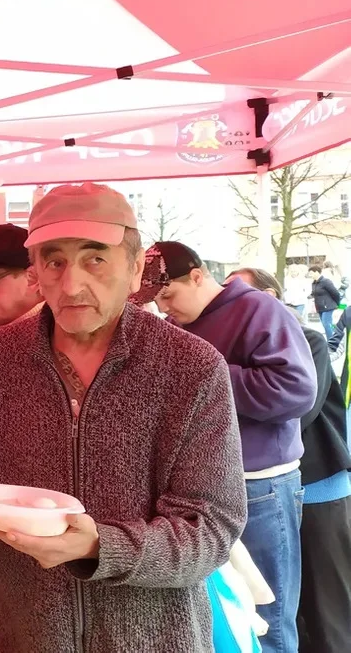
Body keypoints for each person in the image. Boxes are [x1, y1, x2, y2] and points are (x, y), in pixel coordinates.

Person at [0, 183, 247, 652]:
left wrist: (100, 547)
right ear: (35, 272)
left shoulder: (191, 368)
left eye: (96, 258)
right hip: (17, 635)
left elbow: (211, 528)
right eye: (54, 261)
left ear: (135, 269)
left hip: (153, 640)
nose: (71, 284)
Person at [146, 241, 315, 653]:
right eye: (156, 299)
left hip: (259, 486)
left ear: (199, 276)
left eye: (168, 294)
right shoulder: (179, 328)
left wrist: (206, 376)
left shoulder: (260, 310)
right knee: (229, 614)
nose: (164, 306)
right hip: (203, 489)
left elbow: (296, 389)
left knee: (266, 615)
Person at [228, 268, 351, 653]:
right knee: (282, 605)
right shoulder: (239, 350)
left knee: (325, 607)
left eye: (241, 293)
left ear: (269, 296)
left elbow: (299, 411)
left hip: (317, 489)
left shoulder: (308, 340)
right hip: (272, 490)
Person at [310, 265, 342, 339]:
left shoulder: (325, 281)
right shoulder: (314, 283)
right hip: (320, 307)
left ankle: (331, 342)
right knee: (326, 325)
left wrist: (337, 303)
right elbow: (314, 293)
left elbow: (335, 293)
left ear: (317, 272)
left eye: (311, 273)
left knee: (326, 324)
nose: (310, 275)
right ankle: (336, 336)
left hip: (328, 306)